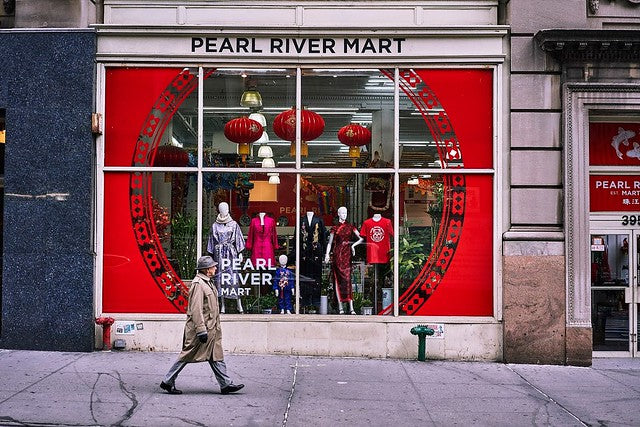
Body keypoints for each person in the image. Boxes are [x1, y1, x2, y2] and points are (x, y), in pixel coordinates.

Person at [160, 255, 244, 395]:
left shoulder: (208, 282)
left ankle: (225, 384)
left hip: (212, 328)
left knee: (216, 355)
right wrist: (201, 330)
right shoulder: (198, 284)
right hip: (202, 329)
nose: (215, 268)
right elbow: (196, 309)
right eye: (213, 266)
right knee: (186, 355)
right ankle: (167, 381)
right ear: (206, 270)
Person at [207, 202, 245, 314]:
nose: (224, 210)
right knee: (220, 279)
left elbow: (238, 238)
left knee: (233, 277)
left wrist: (240, 252)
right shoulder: (215, 225)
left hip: (231, 253)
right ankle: (222, 305)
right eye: (221, 208)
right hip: (218, 254)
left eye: (226, 208)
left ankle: (239, 304)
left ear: (228, 209)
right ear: (219, 210)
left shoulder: (234, 224)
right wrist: (211, 255)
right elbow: (211, 241)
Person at [324, 207, 363, 314]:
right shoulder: (335, 228)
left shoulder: (351, 227)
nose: (344, 215)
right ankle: (341, 307)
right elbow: (329, 243)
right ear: (338, 213)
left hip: (347, 256)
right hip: (337, 256)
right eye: (342, 213)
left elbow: (361, 238)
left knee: (347, 280)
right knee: (337, 280)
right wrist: (327, 254)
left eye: (346, 213)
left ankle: (351, 307)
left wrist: (353, 246)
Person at [299, 210, 326, 306]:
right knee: (304, 276)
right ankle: (305, 300)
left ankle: (316, 299)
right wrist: (296, 253)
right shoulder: (301, 220)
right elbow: (296, 237)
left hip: (316, 253)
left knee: (316, 277)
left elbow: (323, 237)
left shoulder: (319, 220)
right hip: (304, 253)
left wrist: (324, 252)